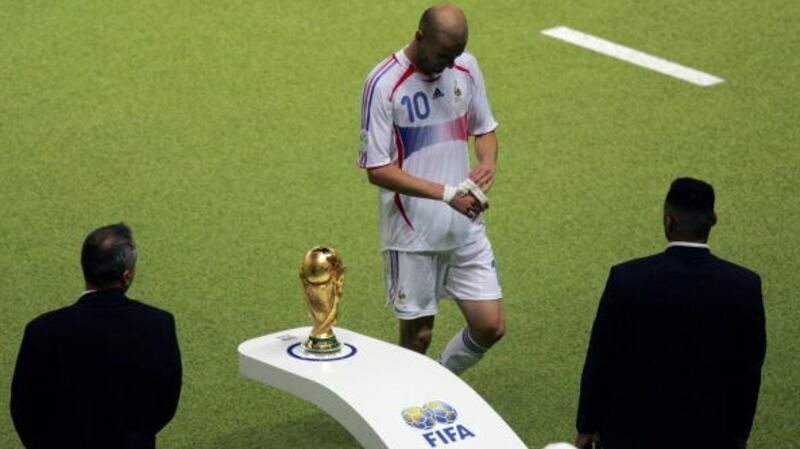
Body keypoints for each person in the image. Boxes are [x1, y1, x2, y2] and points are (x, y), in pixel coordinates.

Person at [357, 4, 504, 375]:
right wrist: (445, 194)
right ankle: (400, 408)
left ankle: (439, 379)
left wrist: (488, 162)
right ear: (419, 36)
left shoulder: (465, 67)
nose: (448, 64)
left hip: (463, 227)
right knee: (417, 338)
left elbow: (484, 128)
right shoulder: (384, 84)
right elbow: (377, 169)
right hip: (412, 233)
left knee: (490, 325)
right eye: (442, 55)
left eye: (455, 55)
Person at [575, 178, 766, 449]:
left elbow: (601, 360)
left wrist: (587, 426)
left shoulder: (627, 279)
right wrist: (739, 435)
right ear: (713, 219)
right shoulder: (744, 285)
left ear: (668, 222)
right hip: (710, 437)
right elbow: (748, 371)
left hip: (630, 436)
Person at [10, 223, 182, 449]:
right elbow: (165, 401)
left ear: (85, 267)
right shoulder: (158, 325)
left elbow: (23, 407)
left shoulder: (41, 330)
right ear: (126, 276)